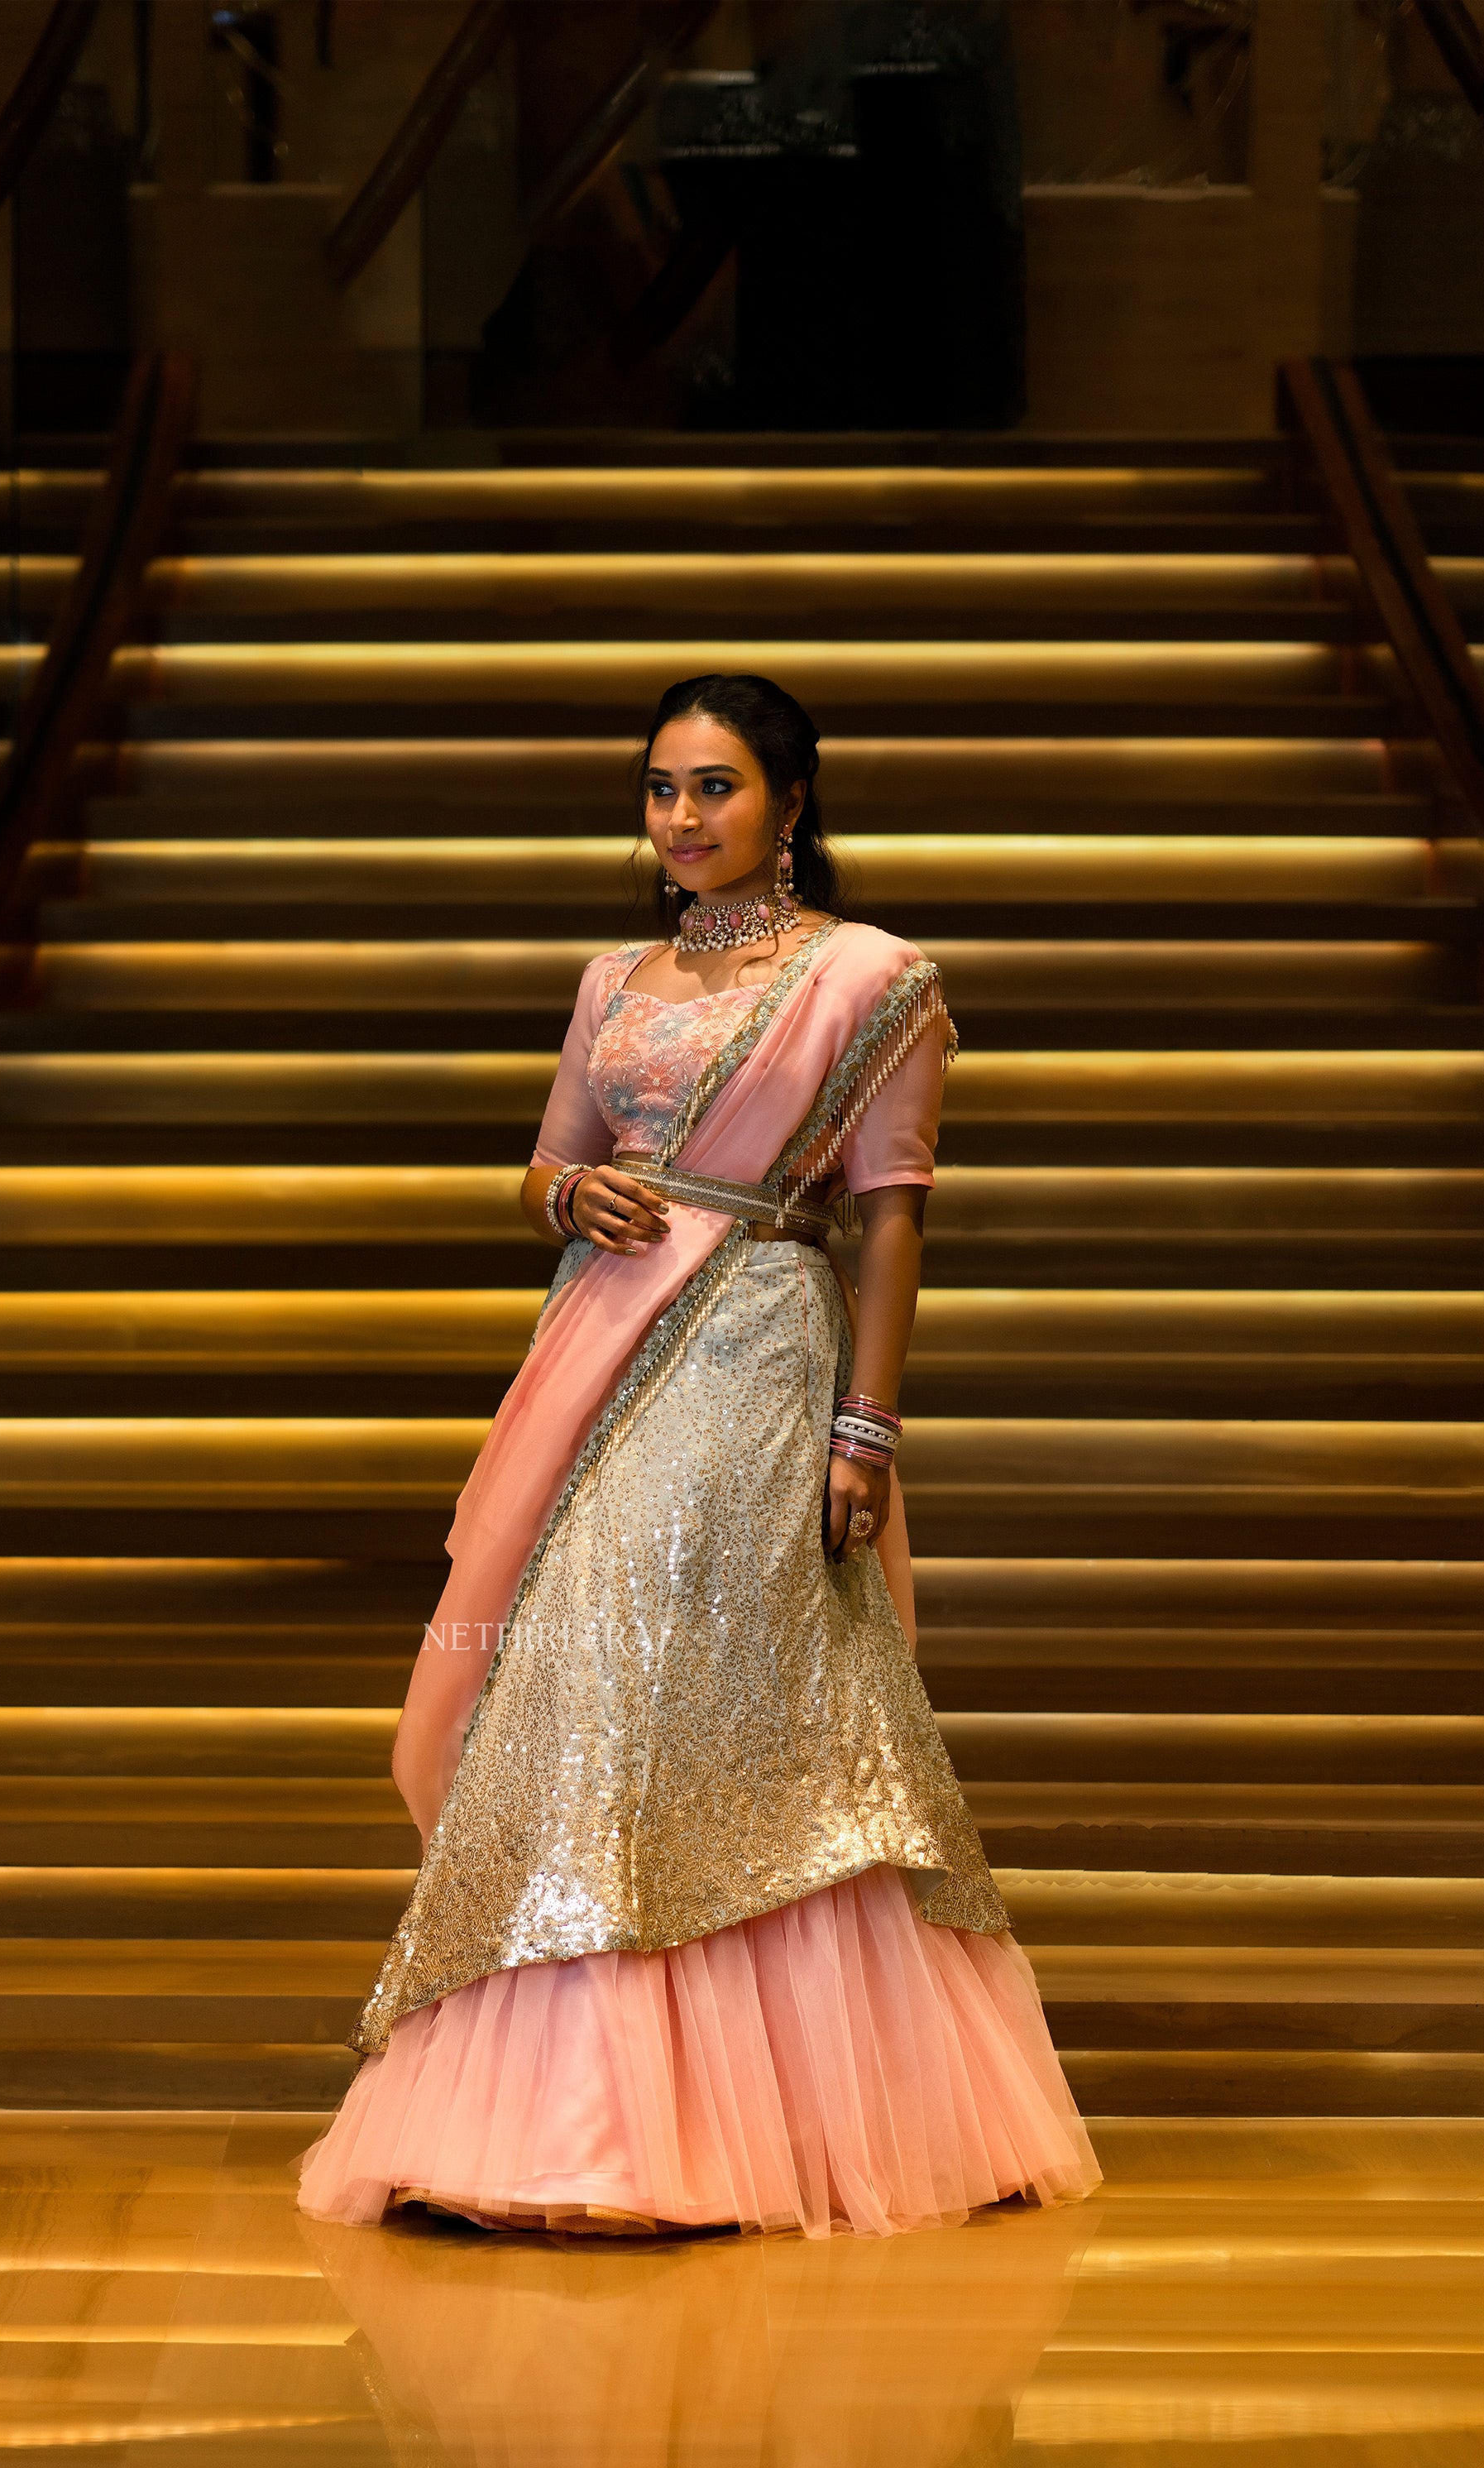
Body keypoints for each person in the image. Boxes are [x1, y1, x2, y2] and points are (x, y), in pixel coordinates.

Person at [299, 673, 1100, 2239]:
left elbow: (894, 1221)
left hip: (759, 1354)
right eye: (661, 788)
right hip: (599, 1351)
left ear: (792, 804)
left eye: (716, 787)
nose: (681, 817)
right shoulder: (614, 978)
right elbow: (551, 1160)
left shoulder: (869, 979)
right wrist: (563, 1197)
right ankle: (572, 2117)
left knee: (730, 1700)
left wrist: (866, 1427)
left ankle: (775, 2117)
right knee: (582, 1686)